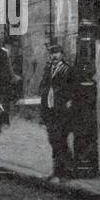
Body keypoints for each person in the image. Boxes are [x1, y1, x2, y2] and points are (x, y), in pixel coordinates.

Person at [39, 42, 76, 179]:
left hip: (62, 110)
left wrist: (69, 101)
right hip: (49, 108)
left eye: (57, 53)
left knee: (61, 139)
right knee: (53, 140)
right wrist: (43, 93)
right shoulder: (48, 68)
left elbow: (73, 88)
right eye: (52, 53)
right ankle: (57, 170)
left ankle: (67, 170)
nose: (54, 56)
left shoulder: (67, 69)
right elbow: (43, 83)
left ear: (62, 55)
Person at [0, 36, 22, 123]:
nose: (13, 48)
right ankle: (4, 122)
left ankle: (5, 121)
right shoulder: (3, 54)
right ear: (8, 45)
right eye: (13, 46)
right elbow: (4, 71)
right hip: (3, 85)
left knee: (5, 103)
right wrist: (13, 77)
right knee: (4, 104)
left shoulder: (3, 53)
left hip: (2, 84)